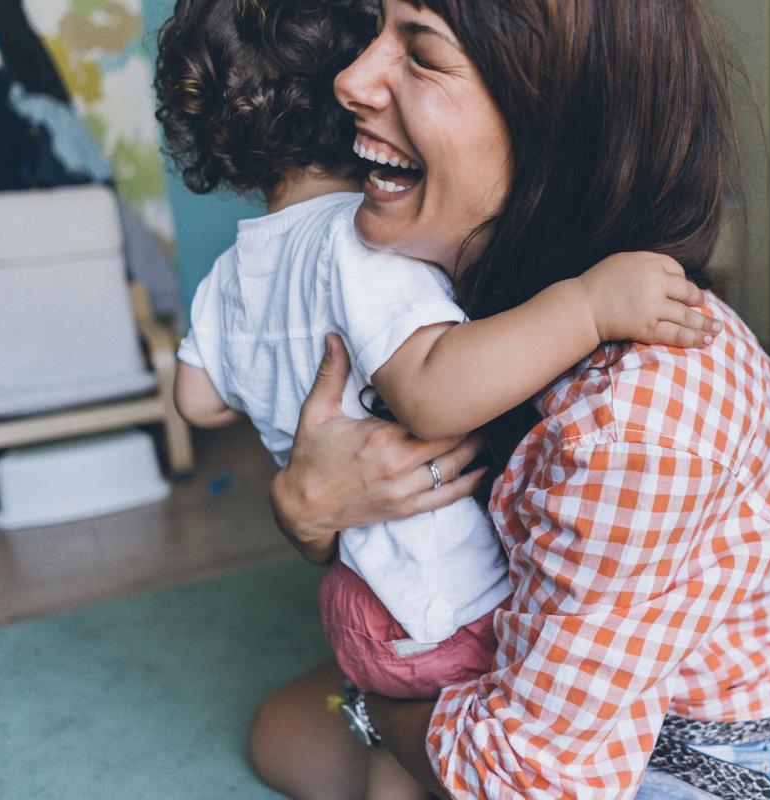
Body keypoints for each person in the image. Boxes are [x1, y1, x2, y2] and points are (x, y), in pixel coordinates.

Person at [249, 1, 770, 799]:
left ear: (556, 123)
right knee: (280, 731)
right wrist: (308, 509)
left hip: (672, 758)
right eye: (372, 33)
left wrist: (382, 709)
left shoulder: (638, 419)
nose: (349, 80)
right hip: (520, 674)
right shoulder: (438, 293)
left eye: (421, 53)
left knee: (365, 753)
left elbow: (534, 778)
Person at [155, 2, 717, 796]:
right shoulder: (358, 244)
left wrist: (286, 425)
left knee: (376, 734)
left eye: (417, 53)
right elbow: (432, 391)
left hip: (359, 603)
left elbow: (196, 399)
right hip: (450, 603)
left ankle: (387, 733)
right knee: (405, 725)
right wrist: (588, 307)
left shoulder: (227, 278)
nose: (364, 82)